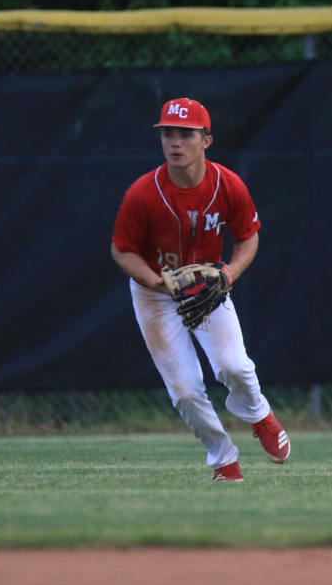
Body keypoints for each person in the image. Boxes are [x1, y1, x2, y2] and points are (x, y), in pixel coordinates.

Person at [110, 97, 290, 481]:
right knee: (186, 391)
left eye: (186, 134)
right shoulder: (143, 193)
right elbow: (122, 250)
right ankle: (223, 460)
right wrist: (156, 281)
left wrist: (228, 275)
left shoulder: (228, 185)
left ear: (206, 140)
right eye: (167, 134)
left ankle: (258, 414)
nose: (175, 142)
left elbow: (248, 237)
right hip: (155, 294)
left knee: (233, 365)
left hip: (208, 286)